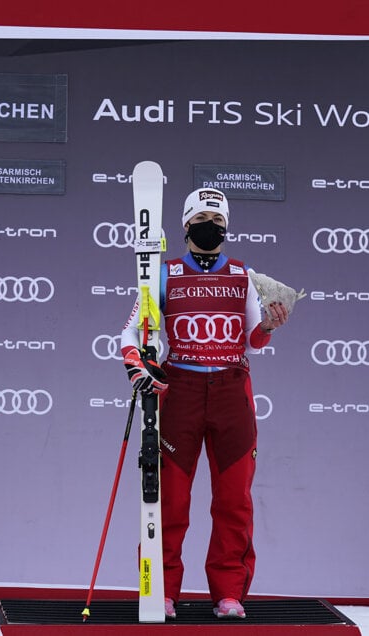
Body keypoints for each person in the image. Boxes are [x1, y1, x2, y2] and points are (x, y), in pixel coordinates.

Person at [119, 187, 289, 620]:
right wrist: (136, 365)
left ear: (227, 226)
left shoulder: (242, 275)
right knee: (169, 501)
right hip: (182, 391)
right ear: (185, 225)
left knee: (234, 500)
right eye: (201, 219)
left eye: (217, 219)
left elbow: (254, 338)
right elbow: (130, 334)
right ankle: (162, 589)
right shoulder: (162, 273)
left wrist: (270, 324)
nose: (210, 226)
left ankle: (229, 593)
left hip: (233, 392)